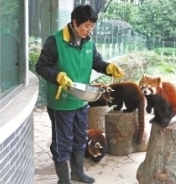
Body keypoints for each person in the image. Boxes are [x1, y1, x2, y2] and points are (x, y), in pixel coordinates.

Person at [35, 5, 124, 184]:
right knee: (63, 142)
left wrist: (108, 67)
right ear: (74, 22)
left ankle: (77, 172)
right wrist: (57, 76)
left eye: (92, 26)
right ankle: (64, 179)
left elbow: (96, 61)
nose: (88, 30)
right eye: (86, 26)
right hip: (62, 103)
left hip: (82, 101)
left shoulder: (88, 41)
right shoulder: (56, 41)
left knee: (80, 138)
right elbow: (41, 66)